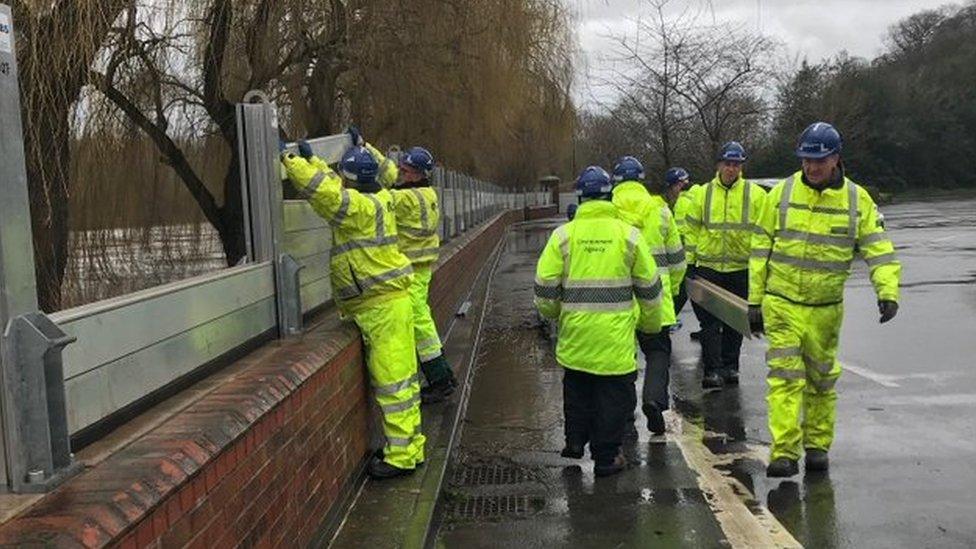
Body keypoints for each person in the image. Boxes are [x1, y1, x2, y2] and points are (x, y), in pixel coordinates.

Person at [749, 122, 900, 477]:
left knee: (821, 380)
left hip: (825, 308)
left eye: (819, 160)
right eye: (806, 160)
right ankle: (784, 453)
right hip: (782, 301)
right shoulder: (781, 195)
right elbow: (760, 250)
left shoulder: (856, 200)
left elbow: (878, 250)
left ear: (836, 159)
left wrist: (888, 291)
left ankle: (817, 447)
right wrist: (755, 301)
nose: (812, 168)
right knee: (785, 378)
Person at [281, 130, 424, 479]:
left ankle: (401, 459)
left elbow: (325, 192)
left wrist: (291, 160)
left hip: (380, 309)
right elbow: (337, 183)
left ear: (353, 182)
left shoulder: (356, 209)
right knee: (404, 382)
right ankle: (412, 447)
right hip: (391, 302)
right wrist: (314, 159)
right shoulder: (381, 199)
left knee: (394, 385)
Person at [534, 166, 663, 477]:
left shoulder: (563, 235)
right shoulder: (628, 235)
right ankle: (606, 457)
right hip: (615, 339)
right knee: (612, 396)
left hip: (576, 334)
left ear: (581, 196)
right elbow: (650, 288)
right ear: (609, 195)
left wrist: (552, 315)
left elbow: (544, 284)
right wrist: (650, 325)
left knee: (578, 387)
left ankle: (575, 441)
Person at [366, 142, 458, 404]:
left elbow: (378, 200)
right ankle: (445, 376)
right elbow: (388, 171)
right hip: (420, 269)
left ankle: (440, 380)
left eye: (406, 170)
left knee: (420, 323)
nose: (401, 173)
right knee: (422, 320)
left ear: (418, 174)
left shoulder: (407, 198)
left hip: (412, 271)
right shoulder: (426, 193)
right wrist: (366, 148)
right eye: (402, 168)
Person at [610, 156, 685, 435]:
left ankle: (626, 417)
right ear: (641, 179)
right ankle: (654, 399)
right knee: (657, 352)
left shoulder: (609, 212)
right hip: (657, 297)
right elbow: (677, 261)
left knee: (624, 356)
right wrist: (673, 290)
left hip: (620, 301)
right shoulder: (661, 210)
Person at [684, 142, 766, 389]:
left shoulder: (756, 195)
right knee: (709, 324)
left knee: (734, 322)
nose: (732, 169)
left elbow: (763, 232)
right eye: (728, 164)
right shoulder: (703, 193)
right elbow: (691, 229)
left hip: (740, 268)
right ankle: (712, 370)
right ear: (719, 164)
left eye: (736, 164)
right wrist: (690, 263)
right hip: (708, 268)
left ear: (742, 166)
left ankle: (731, 367)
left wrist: (760, 264)